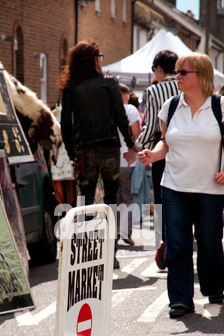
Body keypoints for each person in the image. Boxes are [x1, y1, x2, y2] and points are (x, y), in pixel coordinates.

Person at [138, 53, 224, 318]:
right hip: (174, 186)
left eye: (183, 72)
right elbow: (165, 141)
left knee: (208, 241)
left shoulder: (221, 105)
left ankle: (213, 287)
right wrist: (153, 154)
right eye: (176, 72)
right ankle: (180, 300)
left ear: (201, 76)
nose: (177, 76)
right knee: (177, 244)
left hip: (210, 188)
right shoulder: (171, 106)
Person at [58, 41, 138, 268]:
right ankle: (110, 255)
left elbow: (65, 124)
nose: (101, 60)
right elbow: (121, 118)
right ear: (94, 60)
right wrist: (131, 145)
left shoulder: (71, 88)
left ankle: (85, 254)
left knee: (85, 202)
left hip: (85, 152)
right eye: (99, 56)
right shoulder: (109, 84)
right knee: (111, 202)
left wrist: (72, 152)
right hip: (110, 151)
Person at [133, 50, 179, 270]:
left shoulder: (153, 90)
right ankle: (180, 241)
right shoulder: (185, 84)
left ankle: (163, 243)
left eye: (154, 69)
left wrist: (138, 146)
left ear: (159, 68)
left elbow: (151, 124)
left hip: (161, 149)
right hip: (185, 150)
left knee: (162, 198)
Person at [117, 83, 141, 245]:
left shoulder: (105, 108)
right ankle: (125, 231)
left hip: (109, 160)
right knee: (126, 197)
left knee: (112, 197)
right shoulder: (130, 110)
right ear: (123, 95)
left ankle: (113, 234)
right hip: (127, 160)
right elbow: (137, 134)